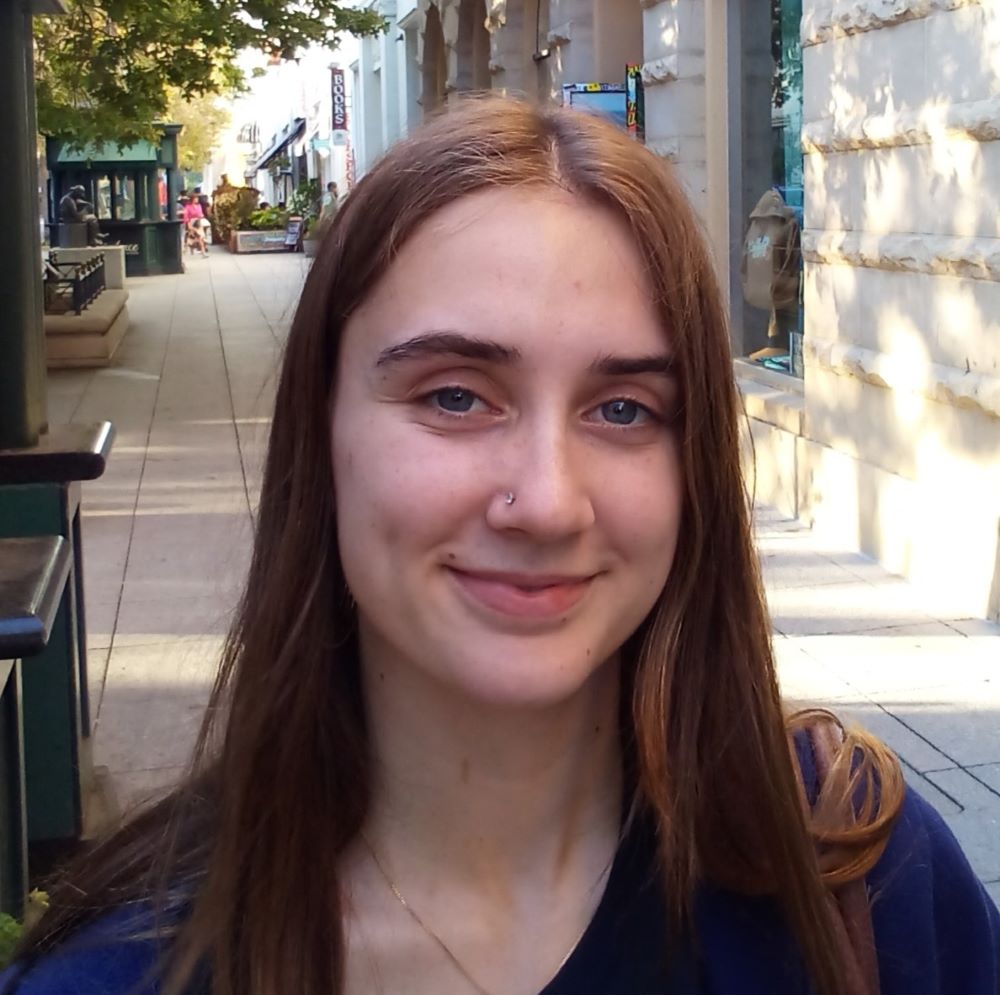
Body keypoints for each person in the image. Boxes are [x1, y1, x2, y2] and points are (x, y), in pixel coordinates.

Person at [3, 98, 997, 995]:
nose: (548, 502)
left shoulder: (862, 880)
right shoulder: (119, 974)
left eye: (622, 408)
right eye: (454, 395)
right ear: (322, 433)